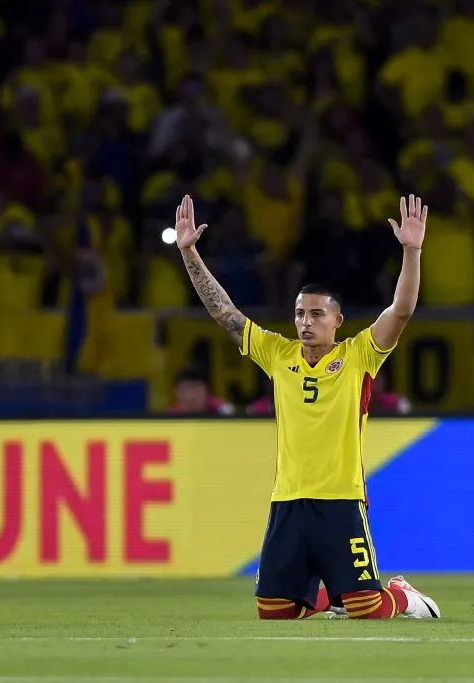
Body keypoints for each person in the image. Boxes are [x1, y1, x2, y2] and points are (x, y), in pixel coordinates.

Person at [173, 194, 440, 621]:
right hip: (288, 501)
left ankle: (403, 595)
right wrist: (189, 252)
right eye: (299, 314)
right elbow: (223, 312)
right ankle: (335, 599)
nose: (305, 322)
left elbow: (402, 310)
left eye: (316, 314)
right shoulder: (278, 354)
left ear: (337, 320)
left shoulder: (359, 355)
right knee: (273, 611)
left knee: (368, 609)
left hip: (341, 500)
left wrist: (411, 250)